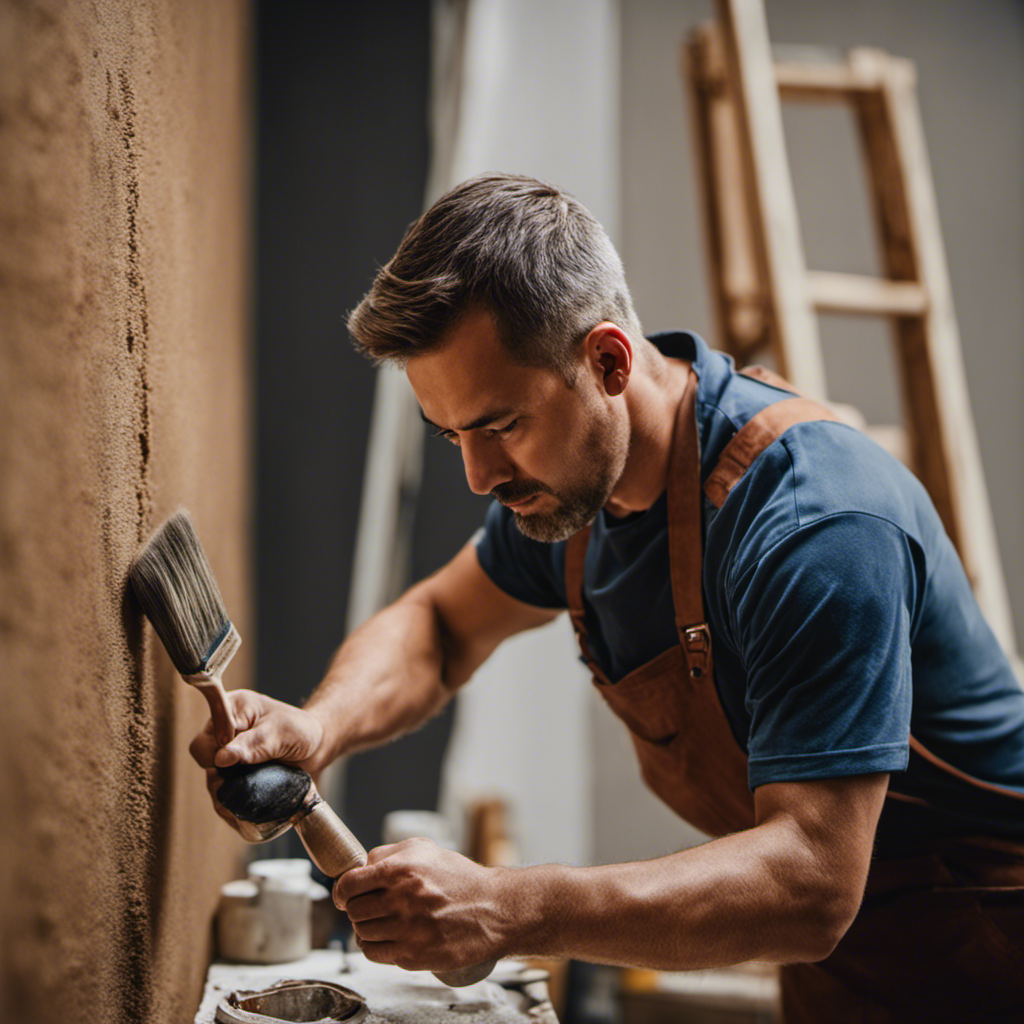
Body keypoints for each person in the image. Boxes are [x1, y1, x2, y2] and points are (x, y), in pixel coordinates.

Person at [191, 173, 1024, 1022]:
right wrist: (319, 728)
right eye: (453, 436)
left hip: (985, 955)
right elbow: (439, 627)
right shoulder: (577, 493)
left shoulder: (814, 528)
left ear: (608, 361)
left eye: (499, 425)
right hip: (843, 978)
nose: (480, 477)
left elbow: (811, 882)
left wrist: (510, 908)